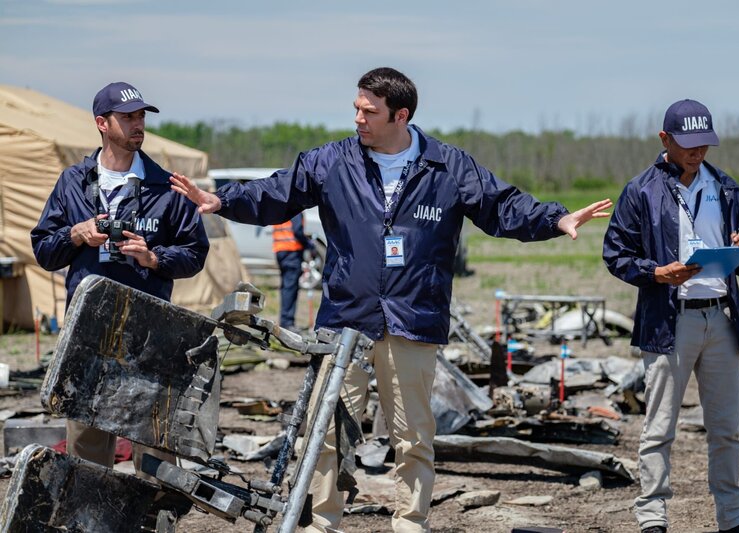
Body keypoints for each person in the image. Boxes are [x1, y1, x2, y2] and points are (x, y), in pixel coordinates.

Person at [171, 67, 612, 533]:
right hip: (346, 320)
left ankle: (410, 523)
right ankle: (322, 523)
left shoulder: (449, 167)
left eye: (370, 111)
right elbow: (276, 191)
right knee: (326, 433)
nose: (358, 118)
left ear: (401, 116)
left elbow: (502, 206)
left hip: (413, 318)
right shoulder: (332, 161)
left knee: (414, 435)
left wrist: (555, 219)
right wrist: (223, 200)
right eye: (356, 107)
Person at [602, 99, 739, 533]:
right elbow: (614, 254)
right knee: (659, 430)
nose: (698, 152)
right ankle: (653, 519)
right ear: (665, 140)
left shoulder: (726, 188)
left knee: (726, 429)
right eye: (688, 144)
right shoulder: (641, 190)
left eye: (704, 144)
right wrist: (657, 273)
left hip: (722, 319)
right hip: (668, 322)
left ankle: (733, 521)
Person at [31, 81, 209, 470]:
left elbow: (196, 254)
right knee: (87, 446)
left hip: (150, 331)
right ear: (102, 123)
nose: (138, 125)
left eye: (141, 116)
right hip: (89, 331)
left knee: (155, 443)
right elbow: (44, 250)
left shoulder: (166, 187)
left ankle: (156, 523)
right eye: (127, 117)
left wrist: (153, 258)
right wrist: (76, 234)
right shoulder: (73, 182)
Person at [272, 213, 316, 330]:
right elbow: (297, 231)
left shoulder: (279, 208)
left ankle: (285, 321)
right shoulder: (295, 210)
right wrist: (309, 245)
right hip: (291, 251)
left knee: (286, 287)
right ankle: (287, 323)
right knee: (290, 287)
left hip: (280, 250)